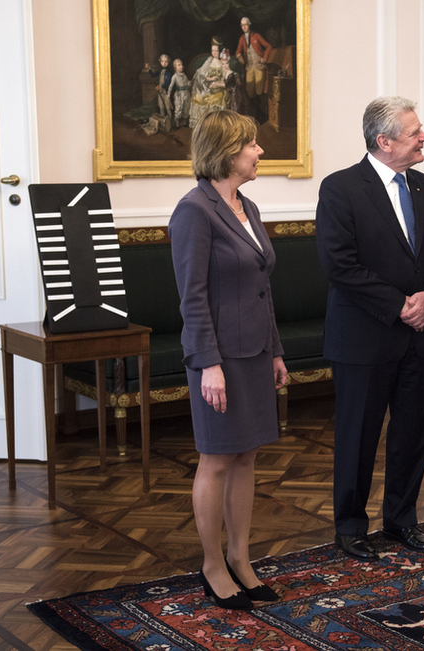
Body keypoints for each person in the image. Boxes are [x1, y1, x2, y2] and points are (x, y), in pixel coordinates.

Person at [316, 96, 424, 561]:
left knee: (413, 433)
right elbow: (340, 266)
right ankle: (351, 527)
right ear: (384, 140)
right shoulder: (341, 189)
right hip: (363, 337)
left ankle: (402, 520)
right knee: (358, 435)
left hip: (417, 335)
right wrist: (399, 306)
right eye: (415, 132)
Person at [169, 110, 287, 610]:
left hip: (257, 354)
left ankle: (241, 558)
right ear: (226, 150)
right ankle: (212, 564)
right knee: (217, 460)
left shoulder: (249, 206)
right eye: (252, 145)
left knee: (246, 456)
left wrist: (277, 350)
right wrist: (208, 363)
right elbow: (191, 296)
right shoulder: (194, 211)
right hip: (218, 359)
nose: (260, 152)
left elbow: (262, 287)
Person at [235, 16, 271, 122]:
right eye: (242, 25)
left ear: (249, 25)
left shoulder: (256, 36)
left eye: (245, 25)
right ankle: (255, 115)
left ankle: (262, 116)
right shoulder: (242, 39)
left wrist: (264, 58)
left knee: (259, 91)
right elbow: (237, 52)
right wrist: (241, 59)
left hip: (259, 66)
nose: (244, 27)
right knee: (250, 93)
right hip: (249, 67)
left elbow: (268, 46)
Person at [190, 39, 228, 125]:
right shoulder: (208, 61)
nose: (214, 53)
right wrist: (211, 79)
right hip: (208, 87)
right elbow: (202, 76)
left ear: (220, 51)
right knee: (199, 97)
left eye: (216, 51)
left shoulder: (223, 62)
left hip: (219, 88)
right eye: (213, 51)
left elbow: (225, 78)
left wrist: (217, 83)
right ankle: (204, 124)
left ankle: (215, 123)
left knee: (217, 98)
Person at [168, 58, 191, 129]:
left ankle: (184, 122)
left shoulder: (184, 76)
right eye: (179, 65)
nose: (181, 66)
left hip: (186, 94)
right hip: (179, 95)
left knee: (186, 108)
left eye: (182, 65)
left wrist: (189, 84)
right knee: (178, 108)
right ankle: (176, 122)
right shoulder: (175, 76)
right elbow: (171, 85)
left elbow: (187, 83)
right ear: (175, 67)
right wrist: (169, 93)